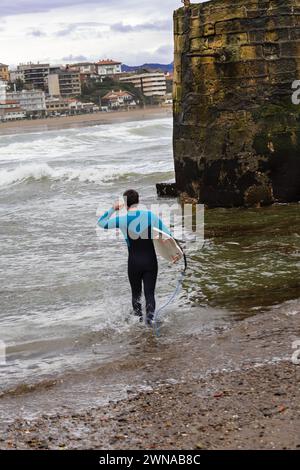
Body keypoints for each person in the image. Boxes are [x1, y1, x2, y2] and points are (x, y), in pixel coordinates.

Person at [97, 190, 171, 325]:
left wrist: (113, 208)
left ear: (125, 204)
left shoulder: (122, 219)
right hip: (150, 262)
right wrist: (172, 254)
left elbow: (101, 223)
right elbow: (167, 235)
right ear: (138, 200)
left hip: (134, 263)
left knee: (135, 295)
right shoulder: (149, 216)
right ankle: (151, 322)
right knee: (150, 294)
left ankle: (138, 324)